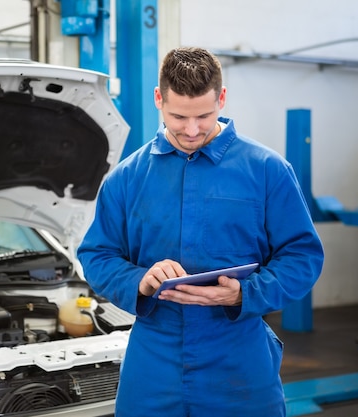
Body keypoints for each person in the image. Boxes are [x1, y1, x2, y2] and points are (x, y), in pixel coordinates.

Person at [76, 47, 324, 417]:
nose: (191, 130)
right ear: (159, 99)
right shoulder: (126, 179)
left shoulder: (268, 170)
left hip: (238, 357)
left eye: (204, 116)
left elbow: (302, 257)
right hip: (154, 359)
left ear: (221, 98)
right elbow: (97, 255)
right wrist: (140, 279)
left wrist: (245, 293)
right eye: (178, 117)